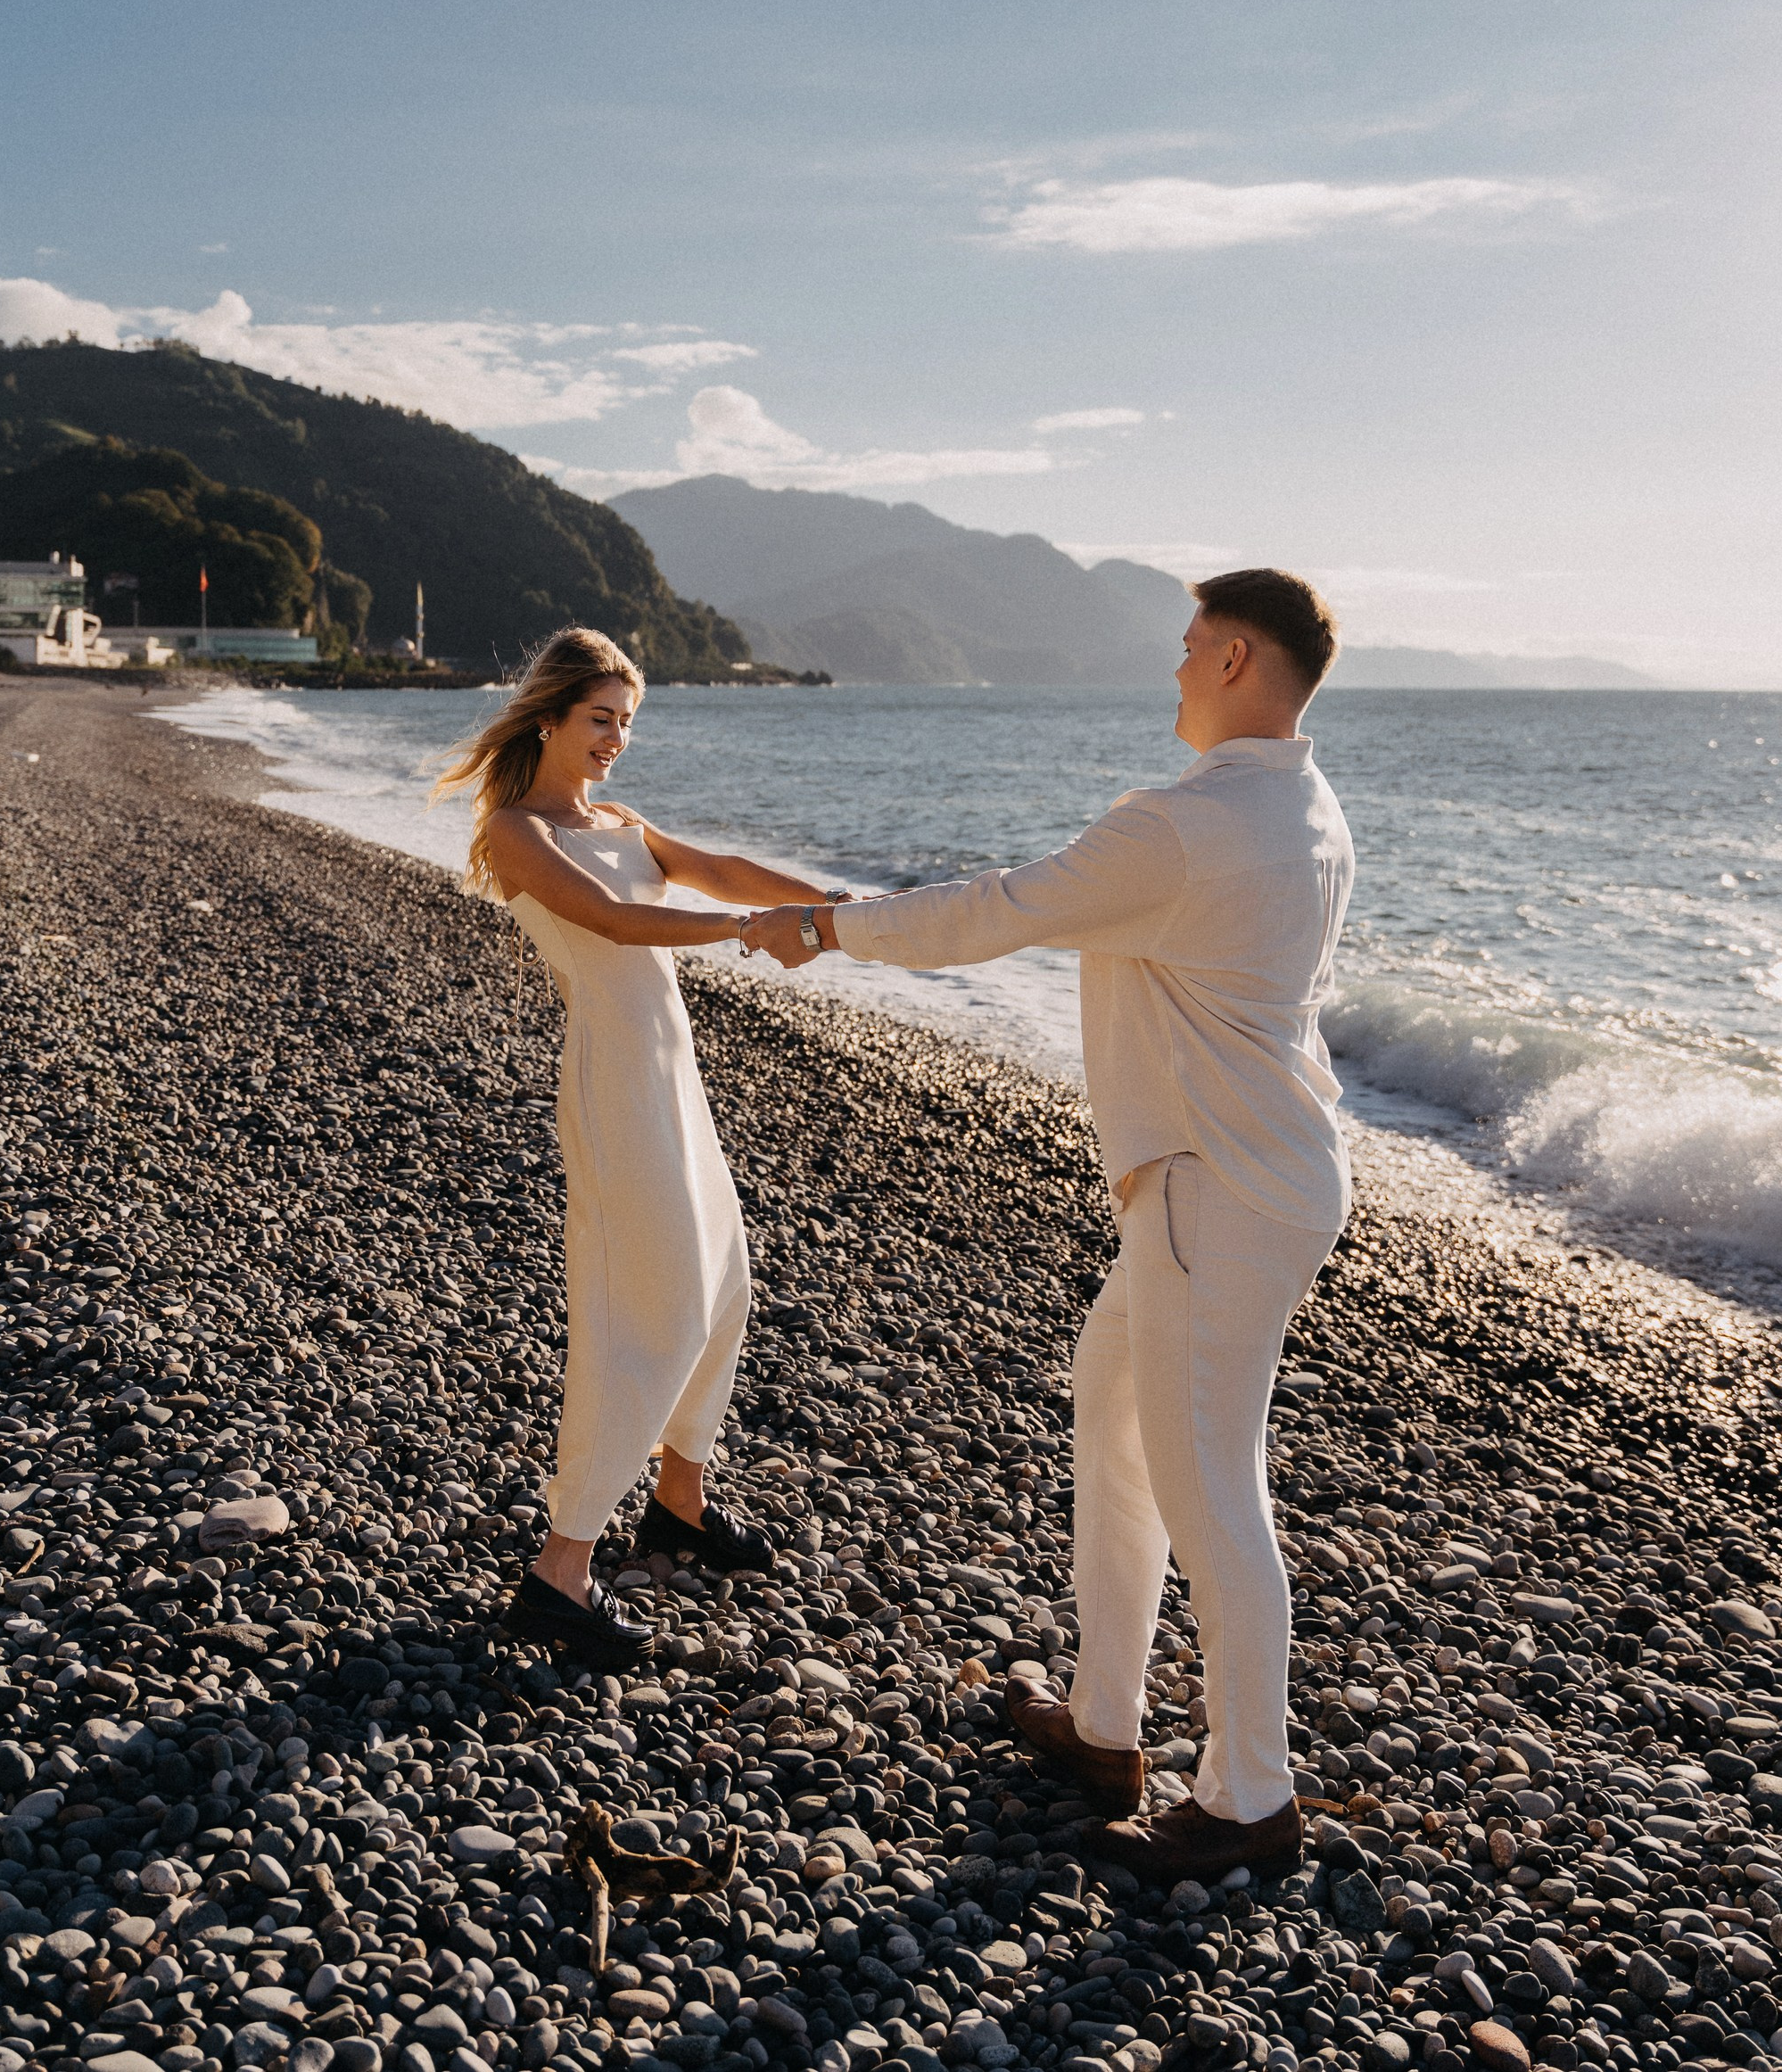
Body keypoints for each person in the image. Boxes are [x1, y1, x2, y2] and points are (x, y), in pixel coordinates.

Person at [742, 571, 1353, 1885]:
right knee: (1112, 1415)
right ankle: (1103, 1723)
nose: (1178, 671)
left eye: (1192, 650)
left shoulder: (1186, 825)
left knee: (1212, 1490)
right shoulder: (1306, 804)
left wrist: (826, 928)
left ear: (1240, 656)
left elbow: (1000, 907)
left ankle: (1251, 1794)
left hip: (1213, 1187)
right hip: (1248, 1177)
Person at [434, 625, 848, 1672]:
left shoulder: (616, 817)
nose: (614, 739)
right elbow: (616, 923)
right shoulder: (518, 830)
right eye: (600, 719)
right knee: (645, 1313)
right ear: (549, 716)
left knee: (726, 1286)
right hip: (615, 1084)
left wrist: (834, 907)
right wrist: (750, 933)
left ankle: (678, 1503)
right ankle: (558, 1571)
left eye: (626, 722)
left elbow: (709, 867)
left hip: (672, 1076)